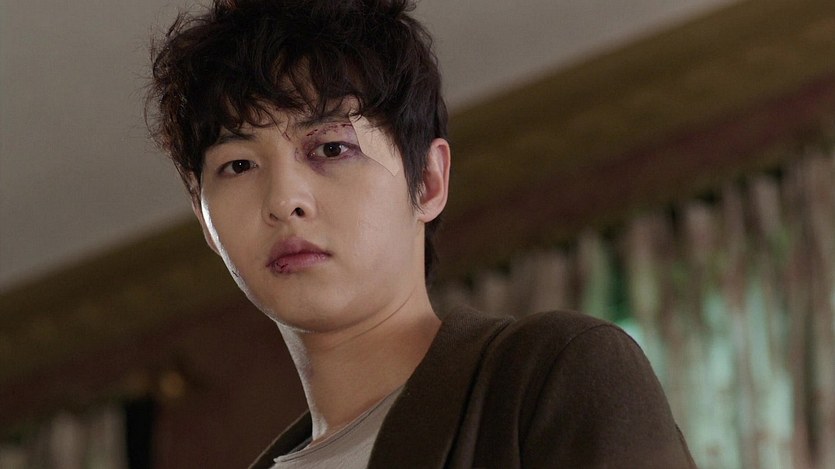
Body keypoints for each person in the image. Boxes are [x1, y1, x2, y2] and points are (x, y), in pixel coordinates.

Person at [146, 0, 696, 467]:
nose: (284, 200)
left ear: (428, 181)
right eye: (239, 165)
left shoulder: (550, 378)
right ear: (205, 220)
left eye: (332, 148)